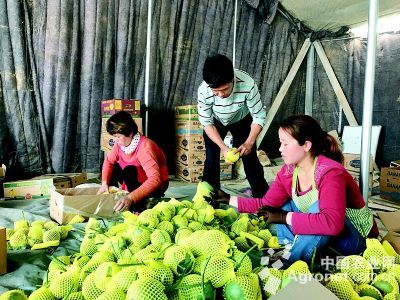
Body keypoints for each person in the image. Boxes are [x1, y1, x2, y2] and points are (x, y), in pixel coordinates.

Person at [211, 115, 378, 265]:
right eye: (280, 143)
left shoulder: (330, 172)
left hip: (354, 241)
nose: (280, 149)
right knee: (282, 203)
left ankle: (288, 262)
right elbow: (266, 203)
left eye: (285, 143)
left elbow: (332, 224)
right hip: (326, 239)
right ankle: (289, 248)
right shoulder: (289, 171)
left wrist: (285, 217)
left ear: (306, 145)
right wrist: (227, 199)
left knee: (317, 207)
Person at [197, 54, 269, 197]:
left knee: (249, 157)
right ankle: (210, 197)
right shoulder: (204, 90)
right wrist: (223, 147)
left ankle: (263, 197)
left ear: (232, 80)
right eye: (215, 91)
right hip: (216, 122)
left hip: (241, 119)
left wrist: (249, 142)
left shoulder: (248, 84)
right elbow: (207, 123)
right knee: (211, 158)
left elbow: (259, 116)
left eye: (224, 89)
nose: (220, 95)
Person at [98, 111, 169, 212]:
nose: (115, 140)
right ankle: (113, 201)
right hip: (134, 178)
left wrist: (131, 198)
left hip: (155, 186)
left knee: (129, 170)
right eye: (114, 136)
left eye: (118, 136)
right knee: (109, 166)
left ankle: (139, 207)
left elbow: (155, 180)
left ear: (130, 133)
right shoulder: (120, 144)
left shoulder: (145, 148)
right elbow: (108, 161)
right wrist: (104, 183)